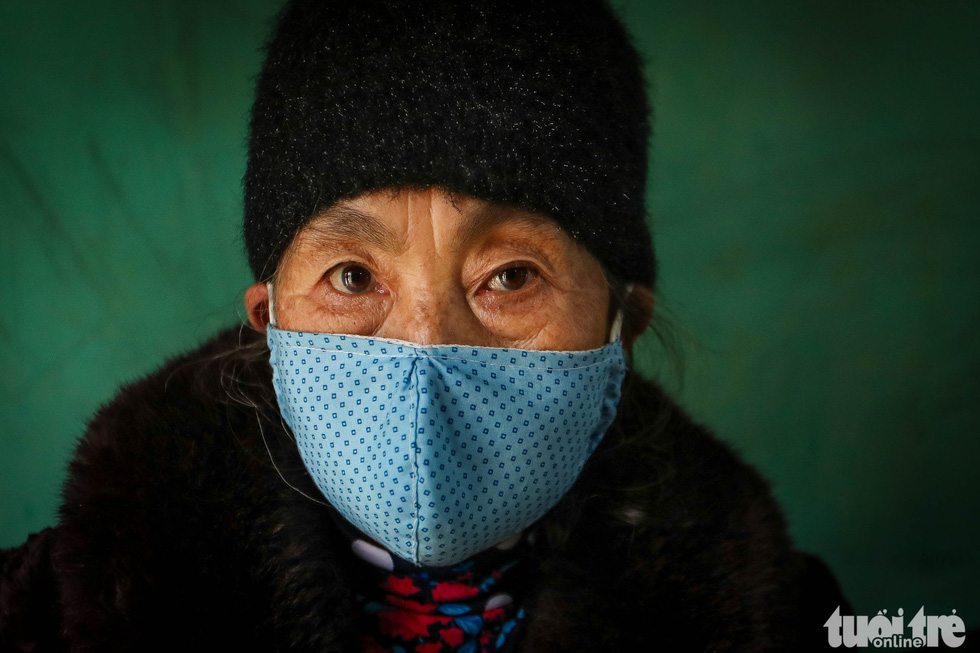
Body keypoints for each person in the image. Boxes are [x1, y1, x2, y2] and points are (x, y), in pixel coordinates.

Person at [0, 0, 847, 650]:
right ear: (271, 324)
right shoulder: (46, 613)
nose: (424, 350)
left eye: (509, 276)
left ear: (619, 330)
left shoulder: (802, 625)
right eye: (353, 275)